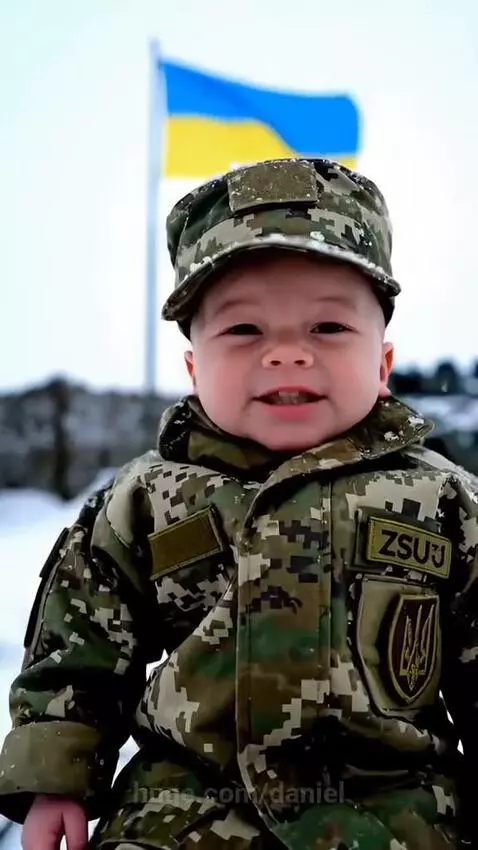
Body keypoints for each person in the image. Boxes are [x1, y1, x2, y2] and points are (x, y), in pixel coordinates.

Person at [0, 157, 476, 850]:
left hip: (394, 811)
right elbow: (79, 646)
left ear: (382, 364)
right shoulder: (150, 497)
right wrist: (56, 776)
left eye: (328, 329)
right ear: (195, 369)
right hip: (187, 808)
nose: (285, 354)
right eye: (244, 331)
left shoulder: (440, 498)